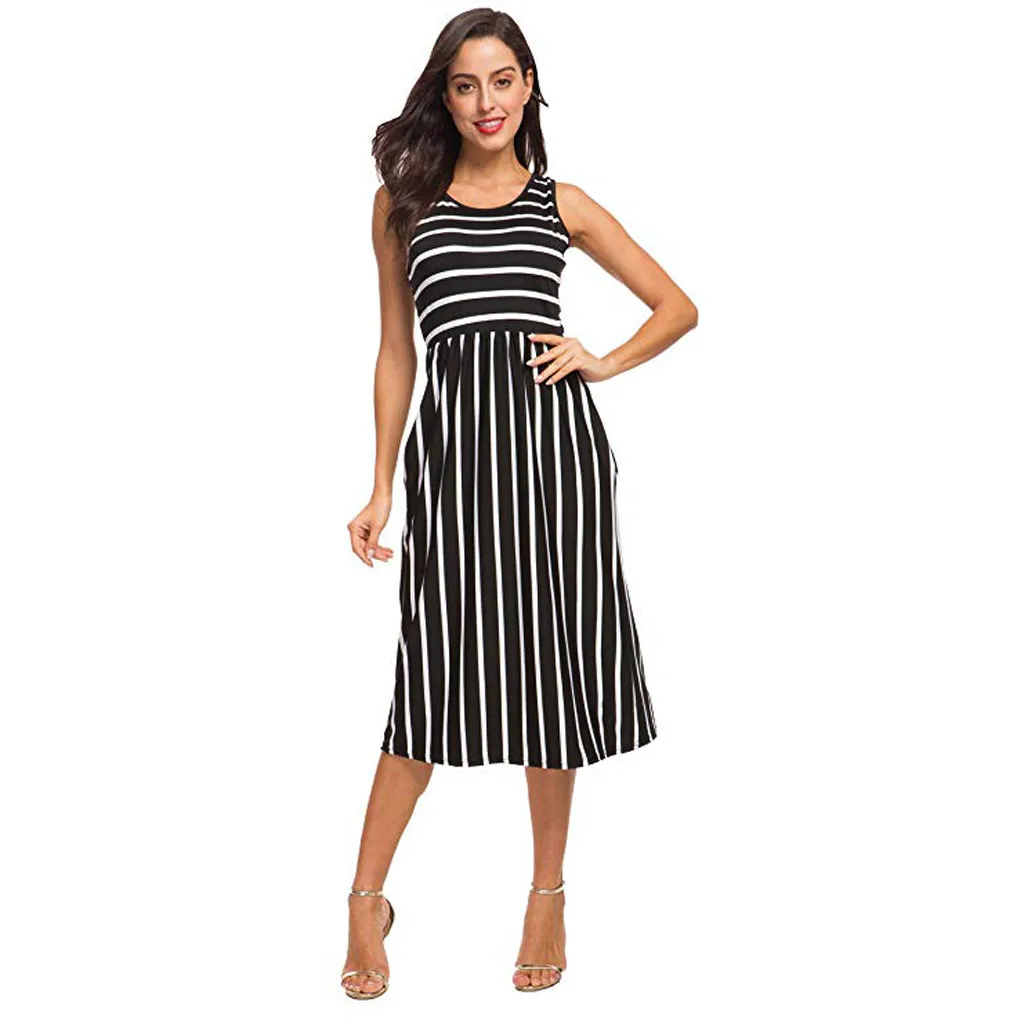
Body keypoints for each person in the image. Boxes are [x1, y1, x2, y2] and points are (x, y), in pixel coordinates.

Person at [342, 8, 698, 999]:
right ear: (445, 95)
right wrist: (380, 483)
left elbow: (677, 306)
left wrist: (602, 359)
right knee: (428, 677)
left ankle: (548, 894)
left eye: (502, 80)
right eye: (465, 85)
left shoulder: (561, 204)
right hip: (453, 468)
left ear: (528, 84)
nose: (485, 102)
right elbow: (397, 351)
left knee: (548, 674)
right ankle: (365, 901)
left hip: (555, 465)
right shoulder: (401, 204)